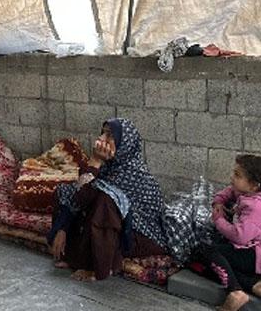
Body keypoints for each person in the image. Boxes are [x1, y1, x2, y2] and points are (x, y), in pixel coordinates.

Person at [48, 118, 167, 281]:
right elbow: (79, 196)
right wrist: (63, 228)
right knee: (66, 190)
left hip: (138, 236)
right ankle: (76, 257)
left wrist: (95, 162)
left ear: (124, 144)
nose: (101, 140)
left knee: (104, 202)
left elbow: (102, 208)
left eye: (109, 136)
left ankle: (100, 269)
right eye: (102, 133)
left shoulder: (136, 175)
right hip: (115, 229)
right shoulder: (106, 168)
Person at [195, 154, 261, 311]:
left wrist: (218, 219)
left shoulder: (256, 207)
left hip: (254, 254)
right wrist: (218, 202)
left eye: (237, 175)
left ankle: (235, 292)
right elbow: (228, 192)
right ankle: (253, 284)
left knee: (207, 251)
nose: (232, 177)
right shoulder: (244, 192)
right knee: (199, 263)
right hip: (246, 249)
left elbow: (240, 237)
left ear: (254, 185)